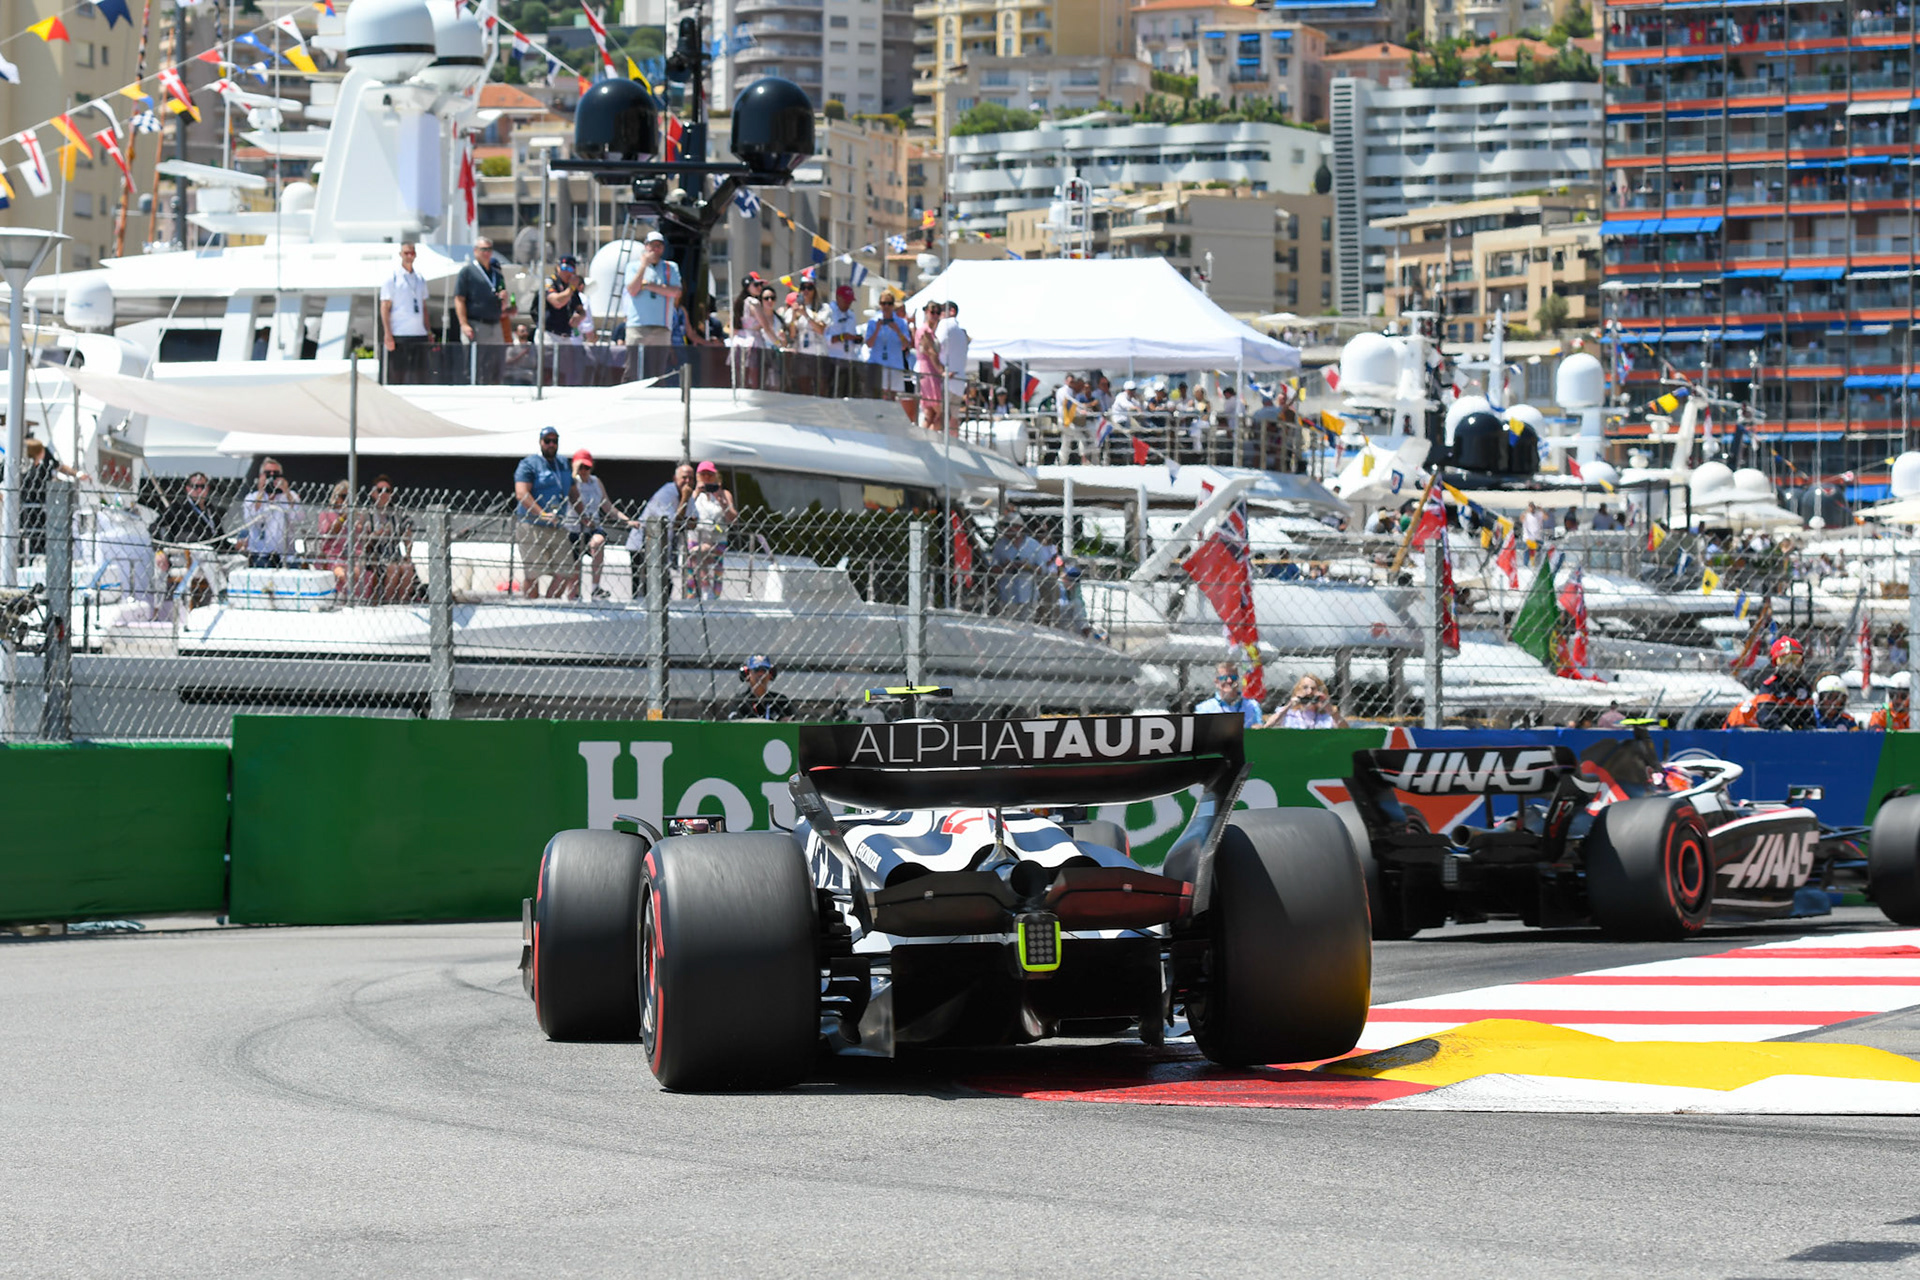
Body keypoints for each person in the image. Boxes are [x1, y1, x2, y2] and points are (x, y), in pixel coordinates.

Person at [513, 426, 582, 598]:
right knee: (533, 572)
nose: (551, 444)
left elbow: (573, 492)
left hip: (557, 524)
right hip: (531, 525)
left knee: (565, 571)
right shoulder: (529, 464)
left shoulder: (563, 463)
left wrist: (584, 514)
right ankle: (532, 608)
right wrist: (542, 513)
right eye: (547, 441)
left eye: (554, 441)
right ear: (540, 442)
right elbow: (522, 493)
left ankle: (551, 605)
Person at [151, 470, 226, 605]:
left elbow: (220, 539)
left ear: (207, 489)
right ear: (187, 488)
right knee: (205, 551)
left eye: (202, 487)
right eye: (194, 486)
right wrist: (159, 550)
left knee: (240, 560)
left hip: (211, 554)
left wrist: (237, 547)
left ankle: (241, 599)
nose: (198, 490)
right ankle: (222, 596)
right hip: (184, 554)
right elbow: (154, 526)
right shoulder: (179, 507)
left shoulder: (211, 510)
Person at [626, 462, 693, 599]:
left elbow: (694, 523)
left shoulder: (687, 493)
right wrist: (685, 501)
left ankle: (660, 615)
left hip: (662, 546)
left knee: (664, 584)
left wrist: (685, 503)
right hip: (643, 542)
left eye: (691, 478)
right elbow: (675, 523)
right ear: (675, 478)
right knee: (642, 585)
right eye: (684, 477)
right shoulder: (666, 493)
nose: (688, 481)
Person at [1726, 635, 1816, 728]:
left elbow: (1808, 718)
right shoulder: (1769, 686)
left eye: (1795, 659)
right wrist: (1784, 729)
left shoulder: (1804, 687)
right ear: (1775, 663)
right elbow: (1766, 717)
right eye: (1784, 660)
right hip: (1743, 723)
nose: (1790, 665)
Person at [356, 475, 416, 603]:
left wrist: (408, 553)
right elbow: (362, 542)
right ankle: (389, 603)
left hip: (394, 554)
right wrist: (376, 535)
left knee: (407, 567)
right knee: (392, 568)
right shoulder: (367, 514)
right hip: (374, 557)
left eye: (387, 490)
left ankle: (403, 603)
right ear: (373, 493)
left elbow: (408, 535)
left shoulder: (398, 512)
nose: (383, 494)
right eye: (380, 490)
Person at [569, 450, 618, 600]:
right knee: (574, 564)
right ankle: (574, 592)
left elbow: (606, 504)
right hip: (572, 526)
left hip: (592, 525)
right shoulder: (571, 481)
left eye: (587, 467)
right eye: (581, 467)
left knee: (598, 542)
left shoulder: (596, 481)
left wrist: (625, 519)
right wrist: (574, 472)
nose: (584, 471)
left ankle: (595, 587)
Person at [684, 461, 737, 600]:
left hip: (717, 538)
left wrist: (721, 500)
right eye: (703, 474)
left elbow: (733, 519)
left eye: (710, 475)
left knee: (717, 571)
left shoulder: (724, 494)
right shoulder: (693, 493)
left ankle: (714, 596)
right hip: (696, 537)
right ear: (697, 476)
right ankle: (693, 595)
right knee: (693, 564)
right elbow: (685, 512)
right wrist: (696, 492)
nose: (706, 478)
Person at [379, 241, 431, 382]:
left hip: (419, 333)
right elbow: (385, 307)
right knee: (398, 374)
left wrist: (428, 330)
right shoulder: (393, 278)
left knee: (421, 374)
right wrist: (388, 334)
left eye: (412, 253)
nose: (409, 256)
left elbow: (424, 306)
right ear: (400, 254)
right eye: (406, 253)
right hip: (399, 333)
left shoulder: (420, 279)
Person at [625, 230, 683, 353]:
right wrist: (643, 266)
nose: (655, 249)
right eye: (652, 245)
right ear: (646, 246)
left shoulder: (670, 267)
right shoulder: (633, 266)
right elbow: (632, 290)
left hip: (661, 327)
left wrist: (647, 285)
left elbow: (676, 292)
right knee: (633, 368)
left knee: (658, 369)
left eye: (659, 246)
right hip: (637, 326)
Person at [453, 237, 508, 369]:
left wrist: (504, 299)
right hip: (477, 324)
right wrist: (464, 324)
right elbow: (459, 299)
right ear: (475, 251)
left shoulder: (497, 274)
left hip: (495, 324)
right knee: (477, 365)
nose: (487, 253)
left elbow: (504, 305)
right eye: (483, 249)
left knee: (496, 364)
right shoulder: (467, 272)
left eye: (489, 249)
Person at [239, 457, 301, 568]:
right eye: (268, 474)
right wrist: (261, 492)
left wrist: (286, 492)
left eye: (276, 474)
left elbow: (299, 518)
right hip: (261, 554)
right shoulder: (252, 497)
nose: (272, 477)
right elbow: (250, 520)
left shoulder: (291, 496)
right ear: (260, 476)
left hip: (286, 555)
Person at [542, 255, 588, 385]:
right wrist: (570, 289)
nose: (566, 271)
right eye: (563, 267)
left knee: (564, 373)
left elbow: (581, 309)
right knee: (548, 371)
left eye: (570, 268)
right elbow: (557, 302)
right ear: (557, 267)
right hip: (549, 333)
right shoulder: (551, 281)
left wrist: (579, 316)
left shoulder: (571, 288)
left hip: (566, 334)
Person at [989, 515, 1047, 617]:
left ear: (1019, 527)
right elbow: (992, 569)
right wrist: (1005, 567)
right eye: (1004, 526)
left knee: (1027, 627)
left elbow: (1043, 570)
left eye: (1010, 526)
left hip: (1028, 595)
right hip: (1006, 596)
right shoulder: (1000, 545)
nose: (1007, 529)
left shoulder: (1033, 545)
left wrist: (1027, 567)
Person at [863, 291, 912, 405]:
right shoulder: (873, 322)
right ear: (880, 304)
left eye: (889, 304)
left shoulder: (901, 323)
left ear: (893, 305)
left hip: (894, 365)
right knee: (878, 398)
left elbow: (906, 345)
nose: (886, 307)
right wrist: (877, 329)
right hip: (878, 365)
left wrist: (897, 331)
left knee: (893, 399)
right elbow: (869, 344)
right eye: (883, 303)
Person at [727, 654, 796, 721]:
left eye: (764, 670)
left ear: (770, 675)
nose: (760, 674)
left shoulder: (780, 701)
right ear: (747, 674)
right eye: (756, 670)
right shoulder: (739, 701)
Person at [1265, 673, 1347, 728]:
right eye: (1305, 688)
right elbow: (1268, 726)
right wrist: (1288, 706)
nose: (1309, 692)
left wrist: (1330, 710)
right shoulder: (1288, 714)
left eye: (1313, 689)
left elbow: (1345, 729)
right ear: (1298, 690)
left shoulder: (1327, 716)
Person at [314, 479, 352, 595]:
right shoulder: (326, 514)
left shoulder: (355, 515)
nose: (345, 500)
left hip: (352, 555)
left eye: (348, 497)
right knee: (341, 573)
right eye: (342, 496)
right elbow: (329, 531)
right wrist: (342, 517)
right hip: (332, 555)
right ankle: (348, 597)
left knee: (359, 570)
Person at [935, 300, 970, 425]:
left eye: (940, 312)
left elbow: (937, 345)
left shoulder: (946, 324)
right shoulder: (962, 332)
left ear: (951, 311)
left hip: (947, 379)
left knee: (939, 415)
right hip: (959, 380)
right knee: (954, 418)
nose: (938, 315)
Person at [1196, 663, 1263, 728]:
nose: (1229, 681)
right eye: (1224, 678)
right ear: (1216, 682)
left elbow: (1258, 730)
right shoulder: (1204, 709)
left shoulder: (1252, 706)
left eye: (1233, 677)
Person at [913, 300, 944, 431]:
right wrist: (942, 370)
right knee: (941, 413)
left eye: (937, 312)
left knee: (930, 413)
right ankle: (930, 439)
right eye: (932, 312)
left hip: (929, 371)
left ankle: (926, 440)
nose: (935, 315)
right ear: (926, 312)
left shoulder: (930, 332)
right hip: (929, 371)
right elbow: (930, 352)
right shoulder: (924, 331)